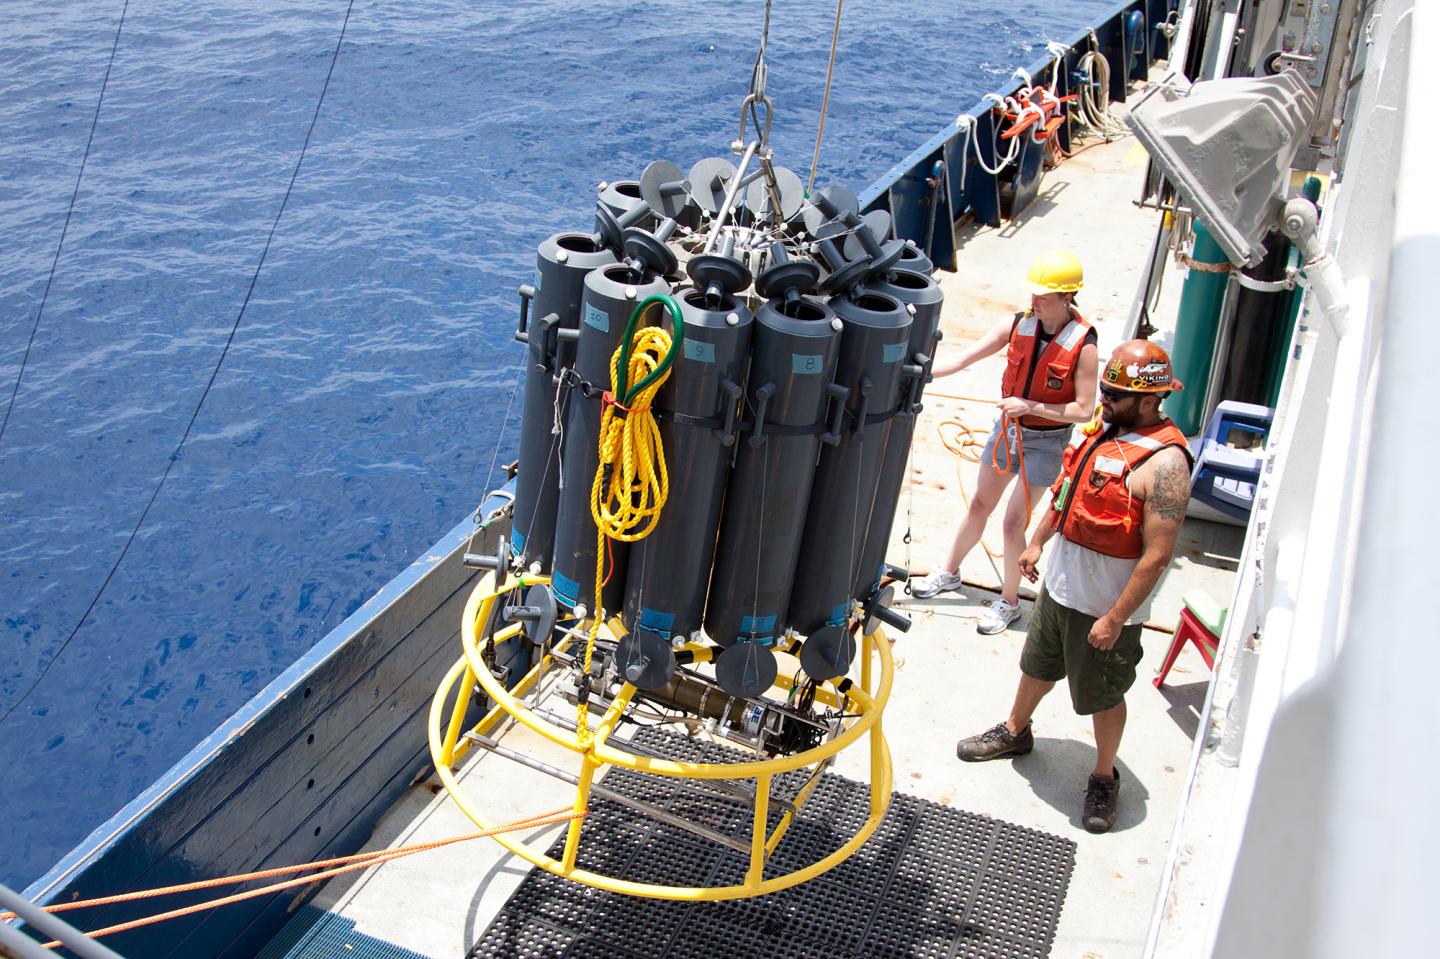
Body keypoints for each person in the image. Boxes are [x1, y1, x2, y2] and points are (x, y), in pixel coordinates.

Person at [953, 340, 1193, 834]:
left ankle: (1104, 776)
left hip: (1104, 608)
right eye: (1104, 389)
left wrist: (1115, 618)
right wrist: (1036, 543)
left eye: (1115, 394)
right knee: (1036, 666)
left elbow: (1157, 555)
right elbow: (1067, 493)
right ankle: (1015, 731)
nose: (1104, 399)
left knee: (1103, 694)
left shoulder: (1167, 465)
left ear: (1150, 400)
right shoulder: (1103, 432)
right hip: (1060, 589)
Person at [911, 249, 1099, 636]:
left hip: (1045, 443)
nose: (1034, 301)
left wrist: (1030, 406)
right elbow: (965, 357)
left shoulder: (1085, 345)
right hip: (1007, 432)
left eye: (1044, 296)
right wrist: (920, 373)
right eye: (1033, 293)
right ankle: (949, 571)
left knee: (1014, 524)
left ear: (1067, 297)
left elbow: (1083, 410)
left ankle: (1009, 601)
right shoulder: (1017, 324)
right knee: (980, 504)